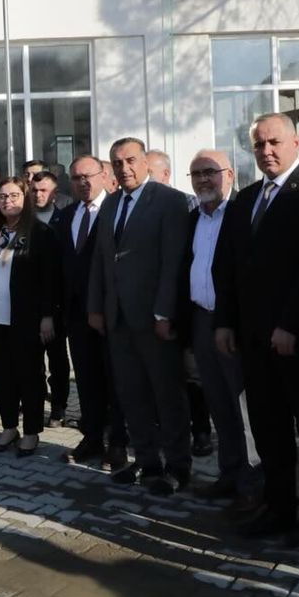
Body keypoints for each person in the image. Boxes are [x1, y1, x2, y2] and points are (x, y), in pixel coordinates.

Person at [213, 113, 299, 546]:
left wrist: (290, 323)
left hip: (297, 340)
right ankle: (279, 507)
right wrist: (224, 320)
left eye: (274, 142)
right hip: (252, 339)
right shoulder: (247, 198)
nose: (266, 151)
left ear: (297, 143)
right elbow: (227, 267)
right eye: (259, 145)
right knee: (269, 429)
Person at [88, 137, 192, 497]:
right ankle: (147, 462)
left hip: (153, 318)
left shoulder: (169, 201)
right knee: (132, 395)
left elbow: (173, 261)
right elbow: (101, 259)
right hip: (117, 318)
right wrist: (96, 306)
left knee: (167, 395)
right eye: (117, 163)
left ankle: (177, 466)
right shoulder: (111, 202)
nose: (124, 168)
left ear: (146, 161)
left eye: (131, 160)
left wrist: (165, 312)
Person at [184, 151, 261, 511]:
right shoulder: (192, 219)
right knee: (218, 404)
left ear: (229, 175)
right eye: (196, 173)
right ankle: (229, 473)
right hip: (202, 320)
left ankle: (253, 484)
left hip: (235, 325)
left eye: (210, 172)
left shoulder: (243, 212)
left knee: (244, 408)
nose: (203, 179)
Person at [0, 177, 60, 456]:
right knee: (3, 377)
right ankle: (9, 427)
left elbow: (49, 279)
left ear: (25, 199)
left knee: (29, 377)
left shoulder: (40, 233)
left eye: (14, 195)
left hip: (26, 319)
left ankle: (31, 432)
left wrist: (47, 315)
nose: (7, 201)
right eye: (2, 196)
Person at [55, 156, 127, 471]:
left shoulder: (117, 209)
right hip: (76, 314)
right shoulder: (67, 214)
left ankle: (118, 443)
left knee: (115, 380)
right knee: (86, 379)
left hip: (110, 313)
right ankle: (92, 437)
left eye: (88, 176)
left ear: (104, 176)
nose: (83, 183)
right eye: (76, 178)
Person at [144, 150, 212, 454]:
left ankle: (202, 431)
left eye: (150, 173)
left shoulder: (188, 205)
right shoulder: (139, 207)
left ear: (166, 174)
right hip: (154, 306)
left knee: (193, 376)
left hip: (187, 307)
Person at [29, 170, 72, 427]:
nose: (38, 195)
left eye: (44, 190)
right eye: (34, 190)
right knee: (33, 359)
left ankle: (59, 406)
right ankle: (34, 403)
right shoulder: (24, 221)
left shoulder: (64, 220)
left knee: (57, 358)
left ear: (54, 194)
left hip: (57, 302)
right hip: (29, 302)